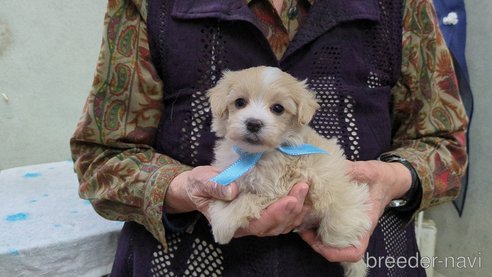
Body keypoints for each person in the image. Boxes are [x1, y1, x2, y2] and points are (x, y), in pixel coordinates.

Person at [70, 0, 468, 276]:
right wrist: (178, 188)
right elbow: (101, 158)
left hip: (367, 259)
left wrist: (390, 180)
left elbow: (446, 143)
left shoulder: (398, 6)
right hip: (184, 263)